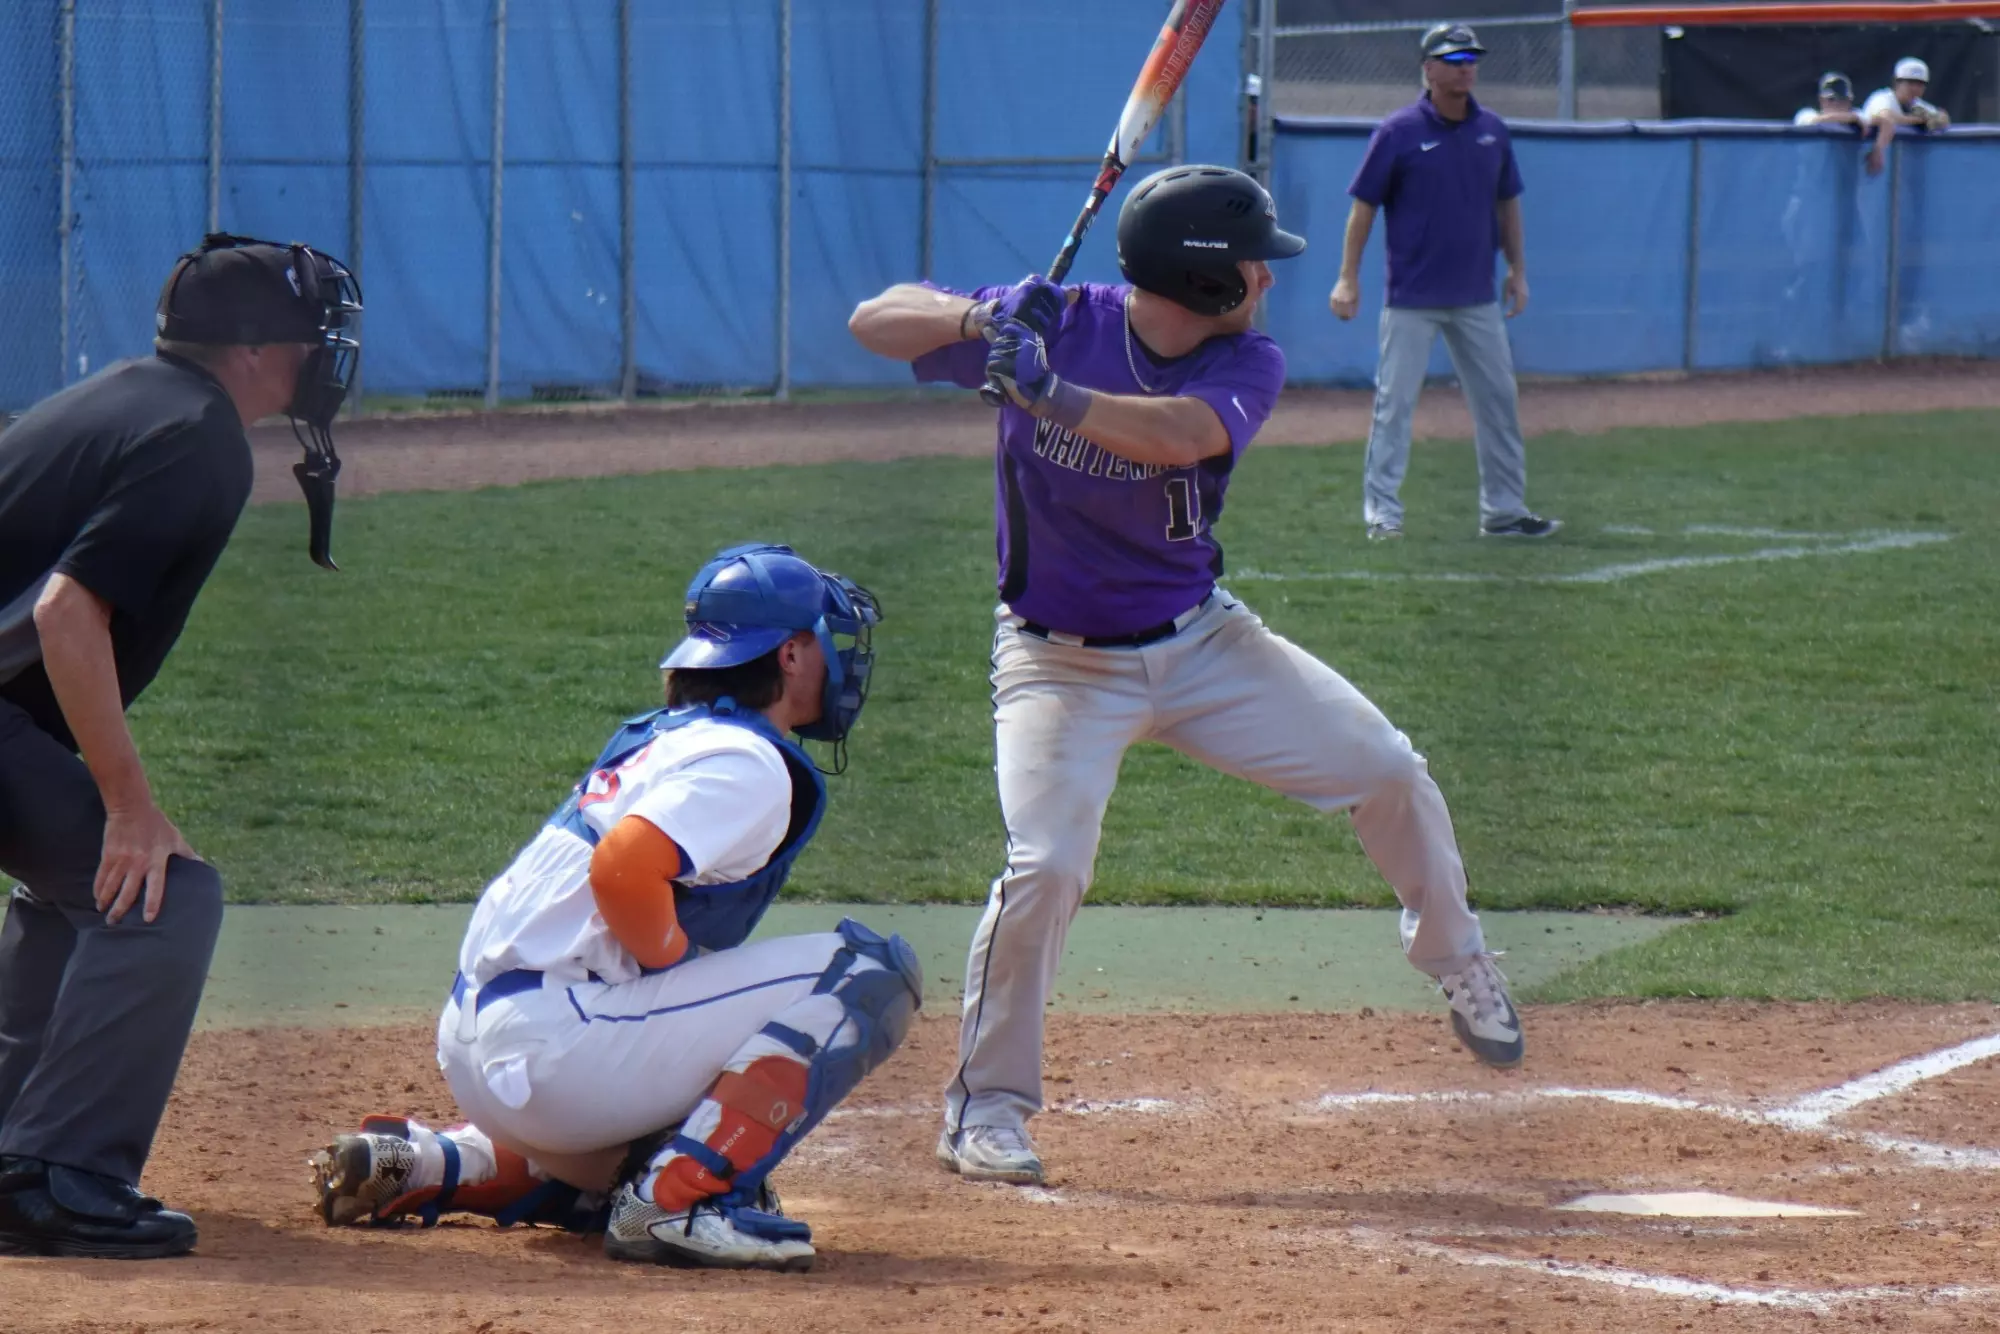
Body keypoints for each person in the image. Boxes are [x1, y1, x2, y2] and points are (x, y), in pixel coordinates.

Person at [847, 164, 1525, 1190]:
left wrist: (1043, 387)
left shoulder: (1245, 360)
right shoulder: (1058, 321)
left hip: (1202, 645)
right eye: (1252, 263)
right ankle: (984, 1107)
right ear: (1205, 277)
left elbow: (1176, 436)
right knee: (1045, 864)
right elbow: (871, 320)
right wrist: (974, 316)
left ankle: (1456, 955)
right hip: (1055, 664)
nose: (1267, 278)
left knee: (1387, 767)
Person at [310, 544, 920, 1274]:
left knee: (685, 1134)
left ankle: (439, 1163)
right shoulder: (745, 759)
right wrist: (671, 965)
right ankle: (678, 1201)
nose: (841, 661)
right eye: (828, 640)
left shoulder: (667, 738)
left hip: (490, 1047)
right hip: (561, 1049)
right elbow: (624, 867)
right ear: (790, 655)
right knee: (868, 970)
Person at [0, 233, 360, 1259]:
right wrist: (125, 804)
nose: (323, 356)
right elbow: (72, 614)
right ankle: (60, 1175)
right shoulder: (198, 433)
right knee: (165, 893)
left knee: (88, 890)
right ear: (251, 348)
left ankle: (18, 1149)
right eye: (308, 336)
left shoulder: (127, 394)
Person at [1328, 23, 1560, 542]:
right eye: (1454, 59)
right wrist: (1348, 278)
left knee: (1499, 401)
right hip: (1412, 298)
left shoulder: (1492, 131)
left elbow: (1508, 205)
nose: (1465, 67)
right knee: (1395, 406)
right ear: (1428, 69)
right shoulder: (1399, 132)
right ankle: (1382, 514)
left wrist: (1518, 271)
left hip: (1476, 296)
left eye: (1471, 58)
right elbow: (1363, 209)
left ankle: (1503, 512)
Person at [1861, 57, 1950, 173]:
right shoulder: (1882, 97)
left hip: (1901, 167)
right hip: (1867, 158)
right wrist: (1921, 121)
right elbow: (1886, 116)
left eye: (1920, 84)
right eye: (1910, 82)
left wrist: (1938, 119)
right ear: (1897, 82)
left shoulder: (1919, 105)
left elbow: (1942, 118)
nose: (1915, 88)